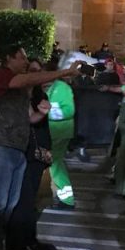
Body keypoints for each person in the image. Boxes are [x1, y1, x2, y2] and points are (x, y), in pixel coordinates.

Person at [0, 45, 79, 250]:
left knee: (10, 202)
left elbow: (27, 118)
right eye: (21, 57)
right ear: (8, 58)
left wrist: (41, 113)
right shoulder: (3, 76)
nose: (24, 61)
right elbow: (25, 80)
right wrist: (63, 73)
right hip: (0, 144)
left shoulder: (18, 88)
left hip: (16, 147)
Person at [8, 59, 59, 250]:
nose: (37, 75)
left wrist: (47, 150)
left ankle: (29, 240)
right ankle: (17, 244)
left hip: (38, 154)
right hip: (24, 152)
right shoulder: (19, 95)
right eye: (33, 71)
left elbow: (42, 126)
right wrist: (42, 112)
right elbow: (30, 120)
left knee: (34, 201)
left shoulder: (40, 94)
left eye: (39, 71)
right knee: (23, 200)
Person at [46, 63, 77, 208]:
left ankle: (66, 199)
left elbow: (69, 110)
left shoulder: (62, 88)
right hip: (55, 131)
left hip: (59, 132)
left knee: (55, 164)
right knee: (55, 164)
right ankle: (60, 195)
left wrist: (46, 113)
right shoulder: (54, 87)